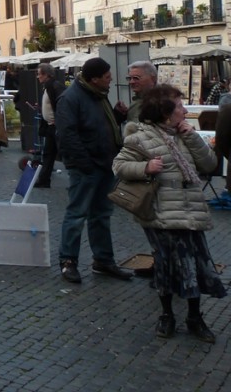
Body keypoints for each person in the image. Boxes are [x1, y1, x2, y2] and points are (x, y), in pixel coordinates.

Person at [113, 84, 226, 341]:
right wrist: (144, 167)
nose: (185, 111)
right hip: (160, 213)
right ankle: (167, 316)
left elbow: (209, 164)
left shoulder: (185, 134)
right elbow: (119, 165)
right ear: (166, 113)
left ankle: (195, 318)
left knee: (197, 264)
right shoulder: (139, 136)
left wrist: (192, 137)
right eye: (179, 107)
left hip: (191, 209)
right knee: (168, 265)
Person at [55, 57, 133, 284]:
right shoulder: (71, 98)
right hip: (87, 167)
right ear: (95, 79)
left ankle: (103, 260)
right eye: (107, 78)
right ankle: (68, 261)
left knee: (101, 215)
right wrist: (85, 165)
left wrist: (117, 116)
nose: (111, 81)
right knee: (77, 214)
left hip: (103, 163)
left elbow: (96, 126)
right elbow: (67, 135)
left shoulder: (97, 94)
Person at [34, 63, 67, 189]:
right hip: (50, 126)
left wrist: (58, 121)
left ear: (46, 75)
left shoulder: (55, 86)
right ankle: (43, 180)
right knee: (48, 154)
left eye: (39, 74)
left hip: (55, 127)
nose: (38, 77)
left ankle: (77, 181)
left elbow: (62, 104)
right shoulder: (48, 87)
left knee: (65, 153)